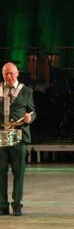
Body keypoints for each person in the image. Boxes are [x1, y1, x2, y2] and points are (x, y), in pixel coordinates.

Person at [0, 62, 36, 216]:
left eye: (11, 73)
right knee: (1, 173)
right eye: (5, 74)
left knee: (18, 173)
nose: (8, 76)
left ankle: (16, 205)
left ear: (17, 74)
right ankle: (2, 205)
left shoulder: (26, 91)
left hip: (18, 135)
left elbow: (33, 111)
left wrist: (30, 117)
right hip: (2, 134)